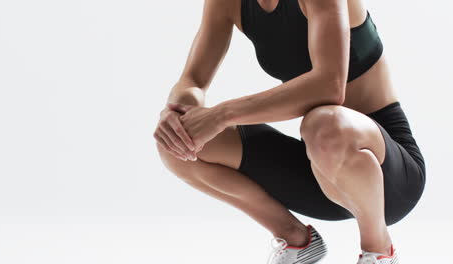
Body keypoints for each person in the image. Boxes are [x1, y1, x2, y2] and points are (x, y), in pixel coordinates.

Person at [153, 0, 426, 263]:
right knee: (177, 145)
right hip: (322, 168)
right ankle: (297, 240)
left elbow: (328, 86)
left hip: (387, 175)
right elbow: (193, 80)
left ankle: (379, 252)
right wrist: (176, 112)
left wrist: (222, 114)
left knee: (324, 122)